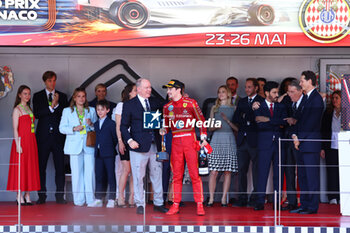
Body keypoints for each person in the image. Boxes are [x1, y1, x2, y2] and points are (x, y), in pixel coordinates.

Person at [120, 78, 168, 215]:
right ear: (138, 89)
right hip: (137, 146)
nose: (149, 90)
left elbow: (168, 107)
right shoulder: (129, 105)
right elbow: (123, 126)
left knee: (157, 175)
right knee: (138, 176)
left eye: (150, 87)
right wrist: (129, 141)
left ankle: (158, 203)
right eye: (146, 88)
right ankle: (140, 204)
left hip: (155, 145)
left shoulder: (155, 102)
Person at [161, 79, 208, 216]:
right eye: (167, 89)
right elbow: (167, 127)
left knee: (194, 173)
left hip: (190, 140)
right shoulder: (167, 107)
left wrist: (203, 137)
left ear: (178, 89)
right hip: (175, 142)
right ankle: (175, 204)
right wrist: (163, 130)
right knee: (176, 175)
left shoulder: (191, 103)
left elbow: (201, 121)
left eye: (170, 89)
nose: (168, 92)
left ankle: (199, 204)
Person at [291, 70, 324, 214]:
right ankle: (304, 204)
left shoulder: (316, 99)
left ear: (310, 81)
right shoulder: (305, 98)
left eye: (302, 81)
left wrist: (299, 138)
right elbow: (298, 118)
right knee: (303, 177)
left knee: (311, 177)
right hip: (301, 144)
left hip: (310, 144)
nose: (300, 83)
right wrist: (294, 135)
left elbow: (311, 123)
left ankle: (312, 207)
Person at [33, 71, 68, 204]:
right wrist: (52, 105)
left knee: (60, 168)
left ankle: (60, 196)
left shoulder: (62, 96)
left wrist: (57, 103)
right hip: (43, 138)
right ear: (44, 81)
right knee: (41, 168)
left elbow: (65, 112)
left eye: (53, 80)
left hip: (58, 138)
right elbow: (37, 114)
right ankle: (41, 196)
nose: (52, 83)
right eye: (49, 81)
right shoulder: (37, 96)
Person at [59, 87, 97, 207]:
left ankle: (91, 199)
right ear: (74, 98)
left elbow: (96, 128)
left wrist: (91, 124)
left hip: (88, 145)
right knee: (76, 173)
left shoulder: (91, 110)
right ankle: (79, 200)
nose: (81, 99)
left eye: (83, 96)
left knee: (90, 172)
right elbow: (61, 128)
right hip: (74, 145)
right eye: (79, 96)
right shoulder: (67, 111)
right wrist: (74, 128)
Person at [252, 81, 287, 210]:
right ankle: (259, 201)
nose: (277, 94)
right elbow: (259, 124)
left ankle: (277, 202)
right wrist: (275, 123)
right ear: (267, 93)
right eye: (274, 92)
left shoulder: (281, 107)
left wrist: (267, 120)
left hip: (279, 144)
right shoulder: (258, 107)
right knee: (262, 173)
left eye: (277, 92)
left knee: (278, 173)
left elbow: (284, 123)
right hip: (264, 143)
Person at [232, 78, 265, 207]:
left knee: (257, 171)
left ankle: (256, 198)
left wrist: (246, 117)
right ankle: (242, 198)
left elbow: (259, 119)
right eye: (246, 87)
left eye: (249, 87)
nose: (247, 89)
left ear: (256, 88)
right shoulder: (242, 101)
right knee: (241, 171)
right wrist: (248, 117)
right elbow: (236, 118)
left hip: (255, 141)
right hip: (242, 140)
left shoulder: (262, 101)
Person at [7, 85, 41, 205]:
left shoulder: (29, 109)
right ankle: (18, 195)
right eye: (25, 93)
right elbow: (15, 128)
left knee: (29, 167)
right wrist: (17, 144)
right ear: (19, 95)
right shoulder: (17, 109)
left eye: (29, 93)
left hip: (31, 141)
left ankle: (27, 194)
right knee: (20, 168)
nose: (27, 96)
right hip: (21, 142)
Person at [207, 85, 238, 207]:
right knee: (213, 171)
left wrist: (227, 121)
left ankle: (224, 198)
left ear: (228, 94)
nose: (221, 94)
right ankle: (211, 198)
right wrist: (216, 126)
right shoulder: (214, 108)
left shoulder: (234, 108)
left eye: (223, 92)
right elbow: (209, 127)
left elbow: (237, 128)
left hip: (229, 139)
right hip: (216, 139)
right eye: (219, 92)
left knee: (227, 171)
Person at [281, 80, 306, 211]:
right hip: (287, 139)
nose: (289, 94)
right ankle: (292, 202)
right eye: (288, 91)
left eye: (292, 92)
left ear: (300, 91)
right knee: (289, 172)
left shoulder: (306, 101)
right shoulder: (287, 101)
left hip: (301, 141)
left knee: (302, 172)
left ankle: (304, 202)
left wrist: (295, 121)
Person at [89, 99, 117, 208]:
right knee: (99, 176)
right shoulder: (96, 124)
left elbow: (115, 139)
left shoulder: (111, 123)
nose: (100, 112)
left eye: (102, 109)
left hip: (109, 153)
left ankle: (111, 199)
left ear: (108, 110)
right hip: (98, 153)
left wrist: (109, 147)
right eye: (98, 110)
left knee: (111, 176)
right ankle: (98, 199)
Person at [113, 83, 137, 208]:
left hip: (136, 141)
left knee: (134, 171)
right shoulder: (121, 105)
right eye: (134, 91)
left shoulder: (139, 105)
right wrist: (120, 141)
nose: (136, 93)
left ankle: (132, 198)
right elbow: (118, 126)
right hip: (125, 140)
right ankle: (120, 197)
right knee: (126, 170)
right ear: (129, 93)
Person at [321, 90, 341, 205]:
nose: (334, 100)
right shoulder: (328, 112)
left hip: (344, 146)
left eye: (337, 98)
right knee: (332, 172)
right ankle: (333, 197)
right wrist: (322, 147)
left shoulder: (347, 112)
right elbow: (323, 131)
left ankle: (343, 196)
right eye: (333, 98)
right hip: (331, 146)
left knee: (343, 171)